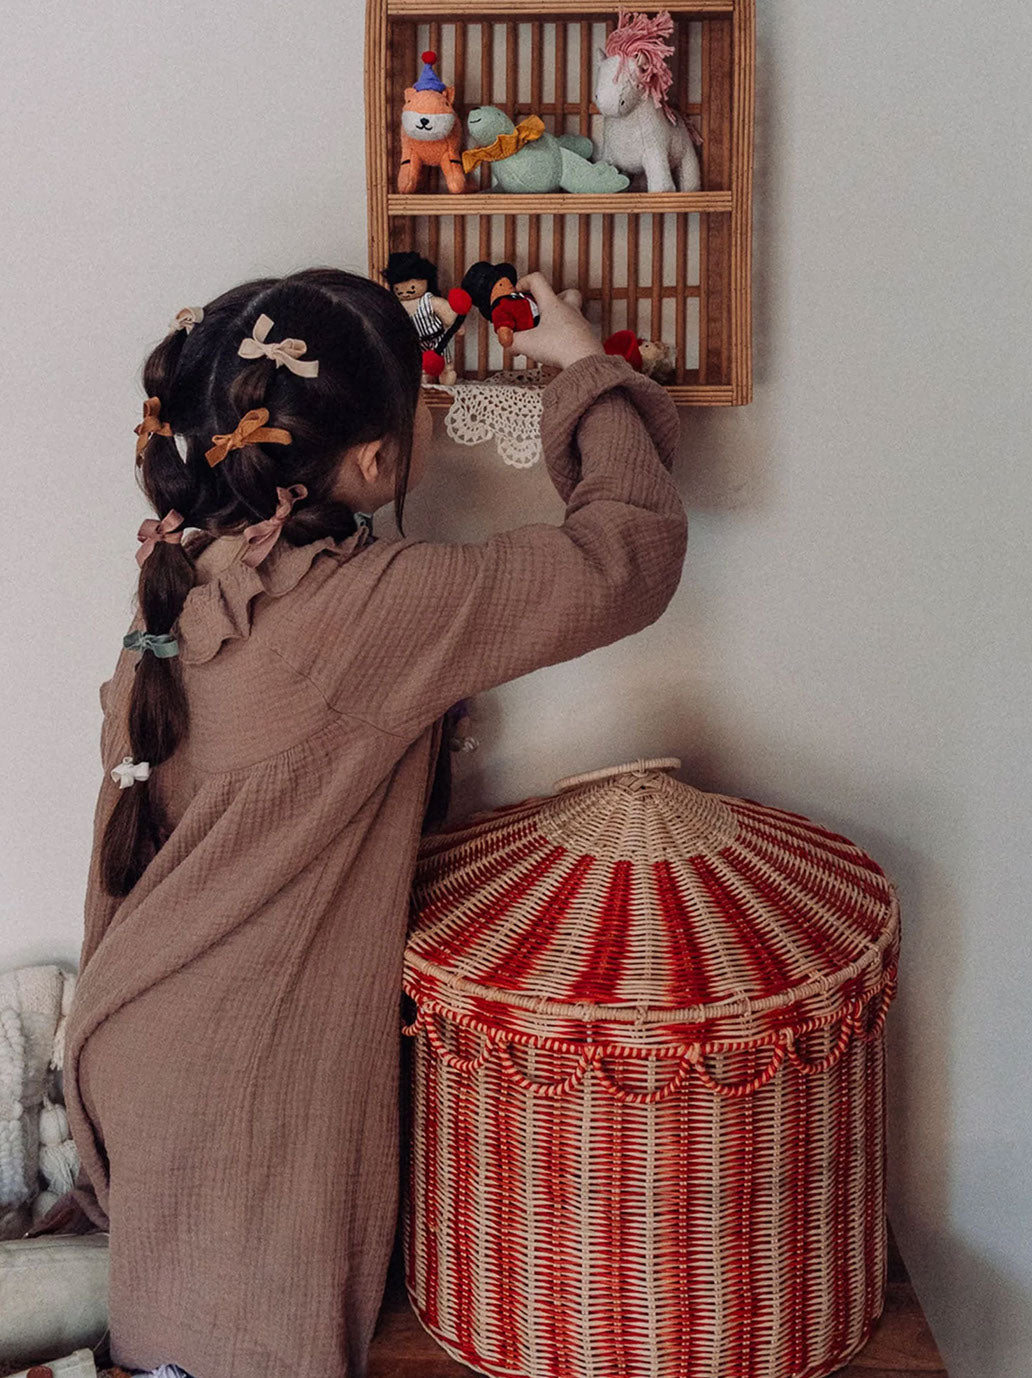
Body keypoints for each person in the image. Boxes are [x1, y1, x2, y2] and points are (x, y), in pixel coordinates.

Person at [36, 267, 687, 1378]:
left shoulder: (185, 575)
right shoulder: (372, 611)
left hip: (139, 1037)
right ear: (379, 462)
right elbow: (627, 557)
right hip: (244, 1098)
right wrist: (586, 371)